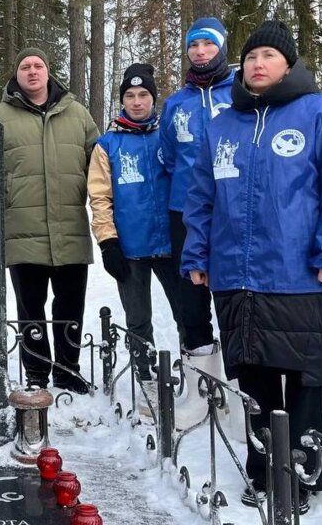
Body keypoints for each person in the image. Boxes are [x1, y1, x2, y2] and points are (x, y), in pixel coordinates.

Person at [182, 20, 322, 511]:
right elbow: (201, 198)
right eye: (251, 56)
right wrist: (197, 254)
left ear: (287, 64)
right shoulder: (222, 124)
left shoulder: (318, 114)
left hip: (301, 275)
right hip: (235, 277)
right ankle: (264, 472)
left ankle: (302, 477)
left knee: (304, 382)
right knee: (257, 383)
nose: (258, 64)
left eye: (268, 55)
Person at [0, 48, 99, 393]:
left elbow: (98, 167)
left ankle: (68, 370)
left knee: (70, 306)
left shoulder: (78, 115)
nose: (32, 71)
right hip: (23, 232)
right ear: (16, 75)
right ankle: (36, 372)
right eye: (25, 66)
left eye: (38, 65)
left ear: (48, 73)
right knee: (30, 308)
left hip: (69, 228)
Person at [87, 63, 189, 416]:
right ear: (122, 101)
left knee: (187, 315)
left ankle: (193, 378)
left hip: (172, 245)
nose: (136, 101)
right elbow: (100, 198)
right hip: (130, 247)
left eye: (143, 94)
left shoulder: (169, 136)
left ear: (153, 98)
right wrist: (107, 242)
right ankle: (147, 378)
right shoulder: (107, 145)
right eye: (129, 96)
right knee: (138, 318)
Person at [159, 17, 235, 429]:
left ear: (221, 48)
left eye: (208, 44)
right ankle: (198, 392)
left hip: (231, 210)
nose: (200, 52)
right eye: (194, 46)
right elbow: (170, 157)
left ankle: (236, 396)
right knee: (191, 299)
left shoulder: (240, 93)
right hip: (185, 212)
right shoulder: (176, 104)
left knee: (232, 296)